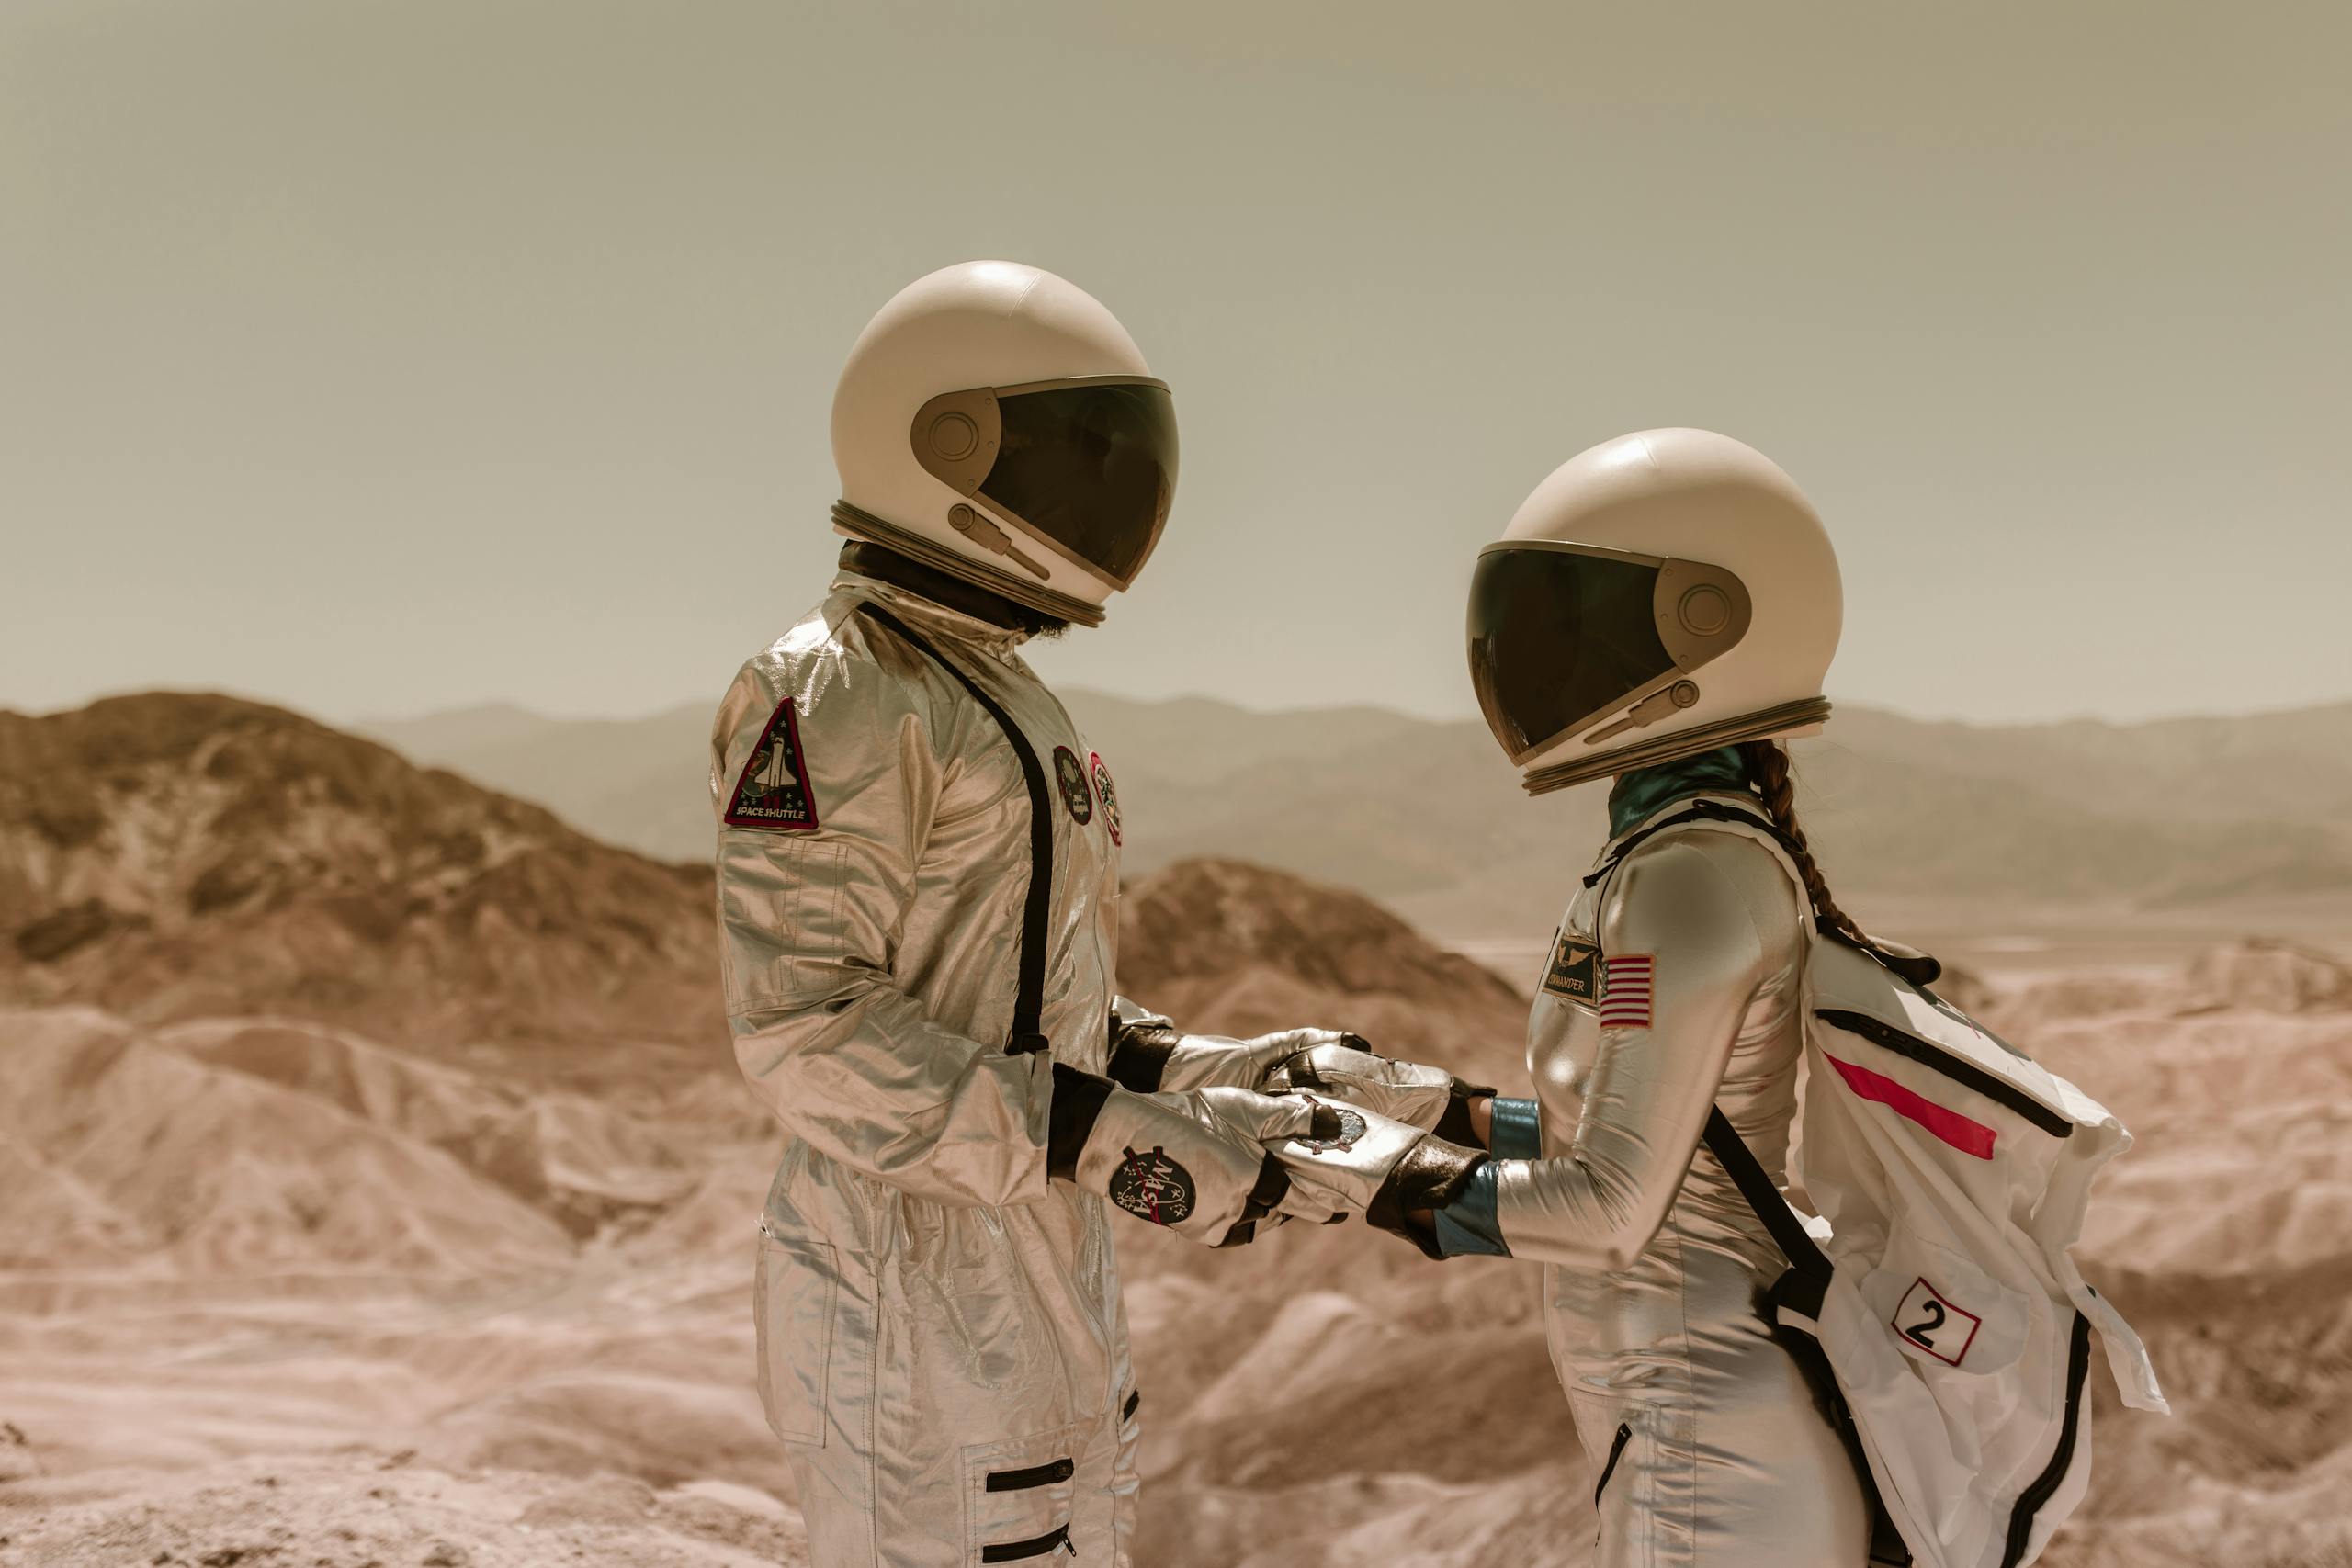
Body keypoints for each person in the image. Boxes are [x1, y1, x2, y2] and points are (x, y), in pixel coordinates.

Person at [709, 260, 1487, 1567]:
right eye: (1076, 455)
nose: (1112, 498)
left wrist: (1199, 1069)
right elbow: (808, 1032)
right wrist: (1110, 1132)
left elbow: (1024, 1006)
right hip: (913, 1286)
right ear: (948, 450)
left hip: (1027, 1261)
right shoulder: (841, 688)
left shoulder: (994, 692)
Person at [1429, 428, 1881, 1566]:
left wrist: (1368, 1183)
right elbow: (1650, 1136)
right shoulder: (1673, 858)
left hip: (1706, 1461)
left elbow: (1607, 1208)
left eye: (1576, 615)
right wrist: (1447, 1117)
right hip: (1676, 1429)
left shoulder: (1688, 879)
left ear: (1703, 628)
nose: (1533, 655)